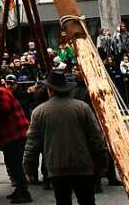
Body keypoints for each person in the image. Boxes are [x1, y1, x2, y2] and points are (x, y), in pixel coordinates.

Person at [23, 71, 109, 205]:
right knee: (87, 201)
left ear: (50, 90)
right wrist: (102, 160)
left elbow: (32, 143)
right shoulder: (82, 108)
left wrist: (28, 166)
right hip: (82, 165)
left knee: (62, 201)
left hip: (57, 167)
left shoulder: (39, 112)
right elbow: (96, 137)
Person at [0, 78, 32, 203]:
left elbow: (5, 108)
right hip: (10, 134)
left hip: (15, 134)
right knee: (11, 163)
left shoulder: (1, 92)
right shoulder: (1, 92)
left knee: (15, 164)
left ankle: (24, 192)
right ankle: (19, 189)